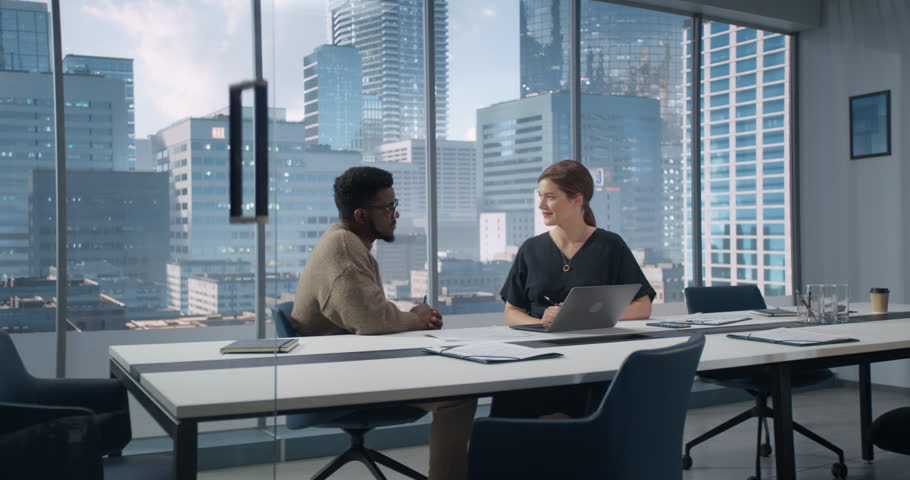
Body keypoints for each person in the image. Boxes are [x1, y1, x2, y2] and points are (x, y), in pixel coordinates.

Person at [290, 166, 476, 480]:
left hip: (347, 364)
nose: (396, 214)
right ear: (362, 215)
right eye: (389, 207)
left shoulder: (347, 242)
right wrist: (416, 319)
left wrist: (410, 316)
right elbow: (372, 321)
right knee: (456, 395)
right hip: (331, 379)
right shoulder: (344, 248)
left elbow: (367, 311)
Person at [494, 159, 656, 418]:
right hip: (537, 359)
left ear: (576, 199)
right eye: (540, 197)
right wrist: (540, 323)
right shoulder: (530, 249)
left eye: (550, 197)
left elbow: (642, 306)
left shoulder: (610, 245)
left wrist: (583, 318)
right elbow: (511, 312)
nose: (541, 206)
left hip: (592, 359)